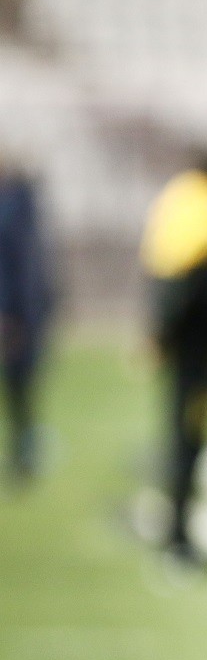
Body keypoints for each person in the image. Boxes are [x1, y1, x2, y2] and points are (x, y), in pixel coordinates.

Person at [140, 151, 207, 558]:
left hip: (177, 337)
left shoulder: (174, 198)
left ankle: (176, 528)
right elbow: (205, 280)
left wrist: (158, 333)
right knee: (189, 434)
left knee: (180, 429)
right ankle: (179, 536)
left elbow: (161, 268)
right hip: (197, 345)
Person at [0, 156, 54, 487]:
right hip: (28, 314)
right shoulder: (26, 210)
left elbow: (15, 271)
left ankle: (24, 456)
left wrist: (10, 313)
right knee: (22, 389)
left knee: (19, 388)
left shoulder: (13, 212)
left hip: (18, 316)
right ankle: (25, 454)